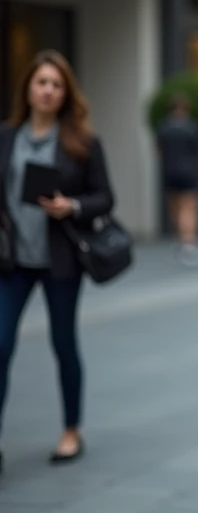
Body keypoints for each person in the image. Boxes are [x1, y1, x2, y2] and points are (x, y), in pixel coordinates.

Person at [0, 50, 114, 473]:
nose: (47, 90)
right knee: (0, 344)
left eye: (55, 84)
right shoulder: (6, 138)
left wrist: (72, 206)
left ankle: (71, 430)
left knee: (63, 343)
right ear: (27, 89)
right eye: (40, 82)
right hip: (12, 261)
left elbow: (106, 197)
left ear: (65, 93)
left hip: (60, 261)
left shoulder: (82, 143)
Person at [156, 94, 198, 264]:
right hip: (189, 172)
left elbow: (158, 149)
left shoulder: (163, 127)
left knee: (175, 207)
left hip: (169, 172)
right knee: (188, 208)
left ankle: (180, 238)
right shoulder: (192, 127)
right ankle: (188, 242)